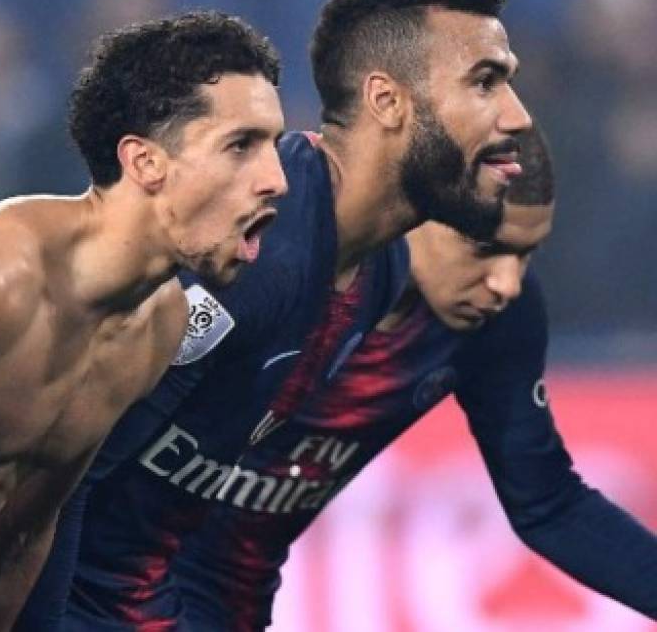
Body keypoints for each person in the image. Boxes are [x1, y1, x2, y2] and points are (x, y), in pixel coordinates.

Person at [20, 0, 535, 630]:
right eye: (486, 82)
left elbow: (216, 517)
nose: (517, 116)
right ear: (388, 102)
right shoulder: (256, 250)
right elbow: (52, 481)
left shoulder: (376, 272)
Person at [0, 11, 289, 631]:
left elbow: (20, 529)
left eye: (274, 146)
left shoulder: (156, 326)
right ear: (145, 162)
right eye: (241, 146)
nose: (277, 180)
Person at [176, 128, 657, 629]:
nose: (506, 283)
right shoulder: (276, 250)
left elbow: (549, 504)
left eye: (526, 253)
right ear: (413, 209)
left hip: (223, 605)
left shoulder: (494, 319)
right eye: (487, 250)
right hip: (111, 582)